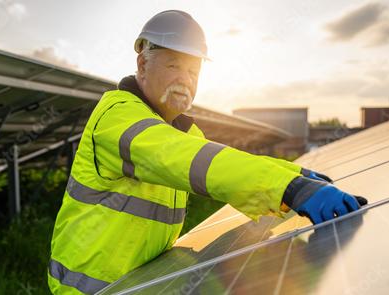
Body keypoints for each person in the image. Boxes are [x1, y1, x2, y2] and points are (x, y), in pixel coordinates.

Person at [47, 10, 366, 294]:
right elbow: (190, 159)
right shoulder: (118, 117)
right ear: (143, 64)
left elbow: (228, 162)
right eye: (174, 65)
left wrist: (294, 175)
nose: (185, 80)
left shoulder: (179, 130)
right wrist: (289, 189)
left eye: (193, 71)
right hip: (88, 289)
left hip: (140, 280)